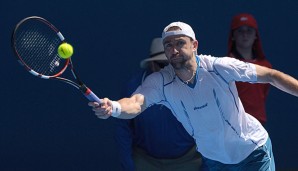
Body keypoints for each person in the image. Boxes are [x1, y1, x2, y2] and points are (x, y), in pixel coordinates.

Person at [89, 21, 298, 170]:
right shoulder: (160, 82)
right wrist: (114, 107)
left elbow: (271, 76)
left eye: (180, 42)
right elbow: (135, 103)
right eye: (168, 45)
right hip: (215, 161)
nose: (174, 49)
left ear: (194, 45)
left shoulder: (219, 67)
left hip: (252, 152)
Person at [115, 37, 202, 171]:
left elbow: (209, 127)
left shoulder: (195, 84)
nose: (169, 69)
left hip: (188, 161)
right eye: (163, 64)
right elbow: (123, 127)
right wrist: (128, 165)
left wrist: (207, 165)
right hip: (145, 161)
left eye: (173, 63)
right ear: (151, 64)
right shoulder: (133, 86)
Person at [228, 13, 272, 125]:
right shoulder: (225, 65)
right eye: (240, 31)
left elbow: (263, 94)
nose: (245, 35)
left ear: (255, 35)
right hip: (234, 125)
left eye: (249, 31)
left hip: (258, 124)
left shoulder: (265, 66)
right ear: (233, 35)